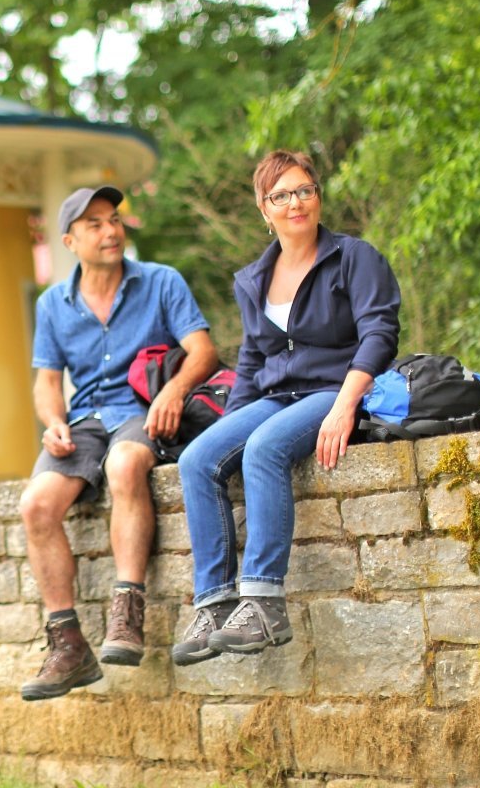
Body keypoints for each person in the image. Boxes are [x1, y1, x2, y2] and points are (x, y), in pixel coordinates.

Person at [171, 150, 400, 665]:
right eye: (281, 195)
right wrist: (226, 430)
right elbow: (252, 361)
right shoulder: (252, 278)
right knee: (197, 459)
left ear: (317, 197)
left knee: (266, 449)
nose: (295, 202)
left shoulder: (353, 257)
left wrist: (346, 405)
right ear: (264, 209)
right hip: (276, 395)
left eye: (304, 190)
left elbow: (380, 333)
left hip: (335, 389)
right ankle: (215, 603)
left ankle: (264, 603)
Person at [19, 185, 219, 701]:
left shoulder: (160, 282)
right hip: (83, 418)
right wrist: (53, 420)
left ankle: (128, 614)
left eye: (113, 220)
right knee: (36, 505)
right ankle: (68, 646)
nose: (110, 231)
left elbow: (202, 351)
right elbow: (46, 380)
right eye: (95, 225)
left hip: (141, 411)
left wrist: (174, 390)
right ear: (70, 241)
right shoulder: (52, 305)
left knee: (126, 464)